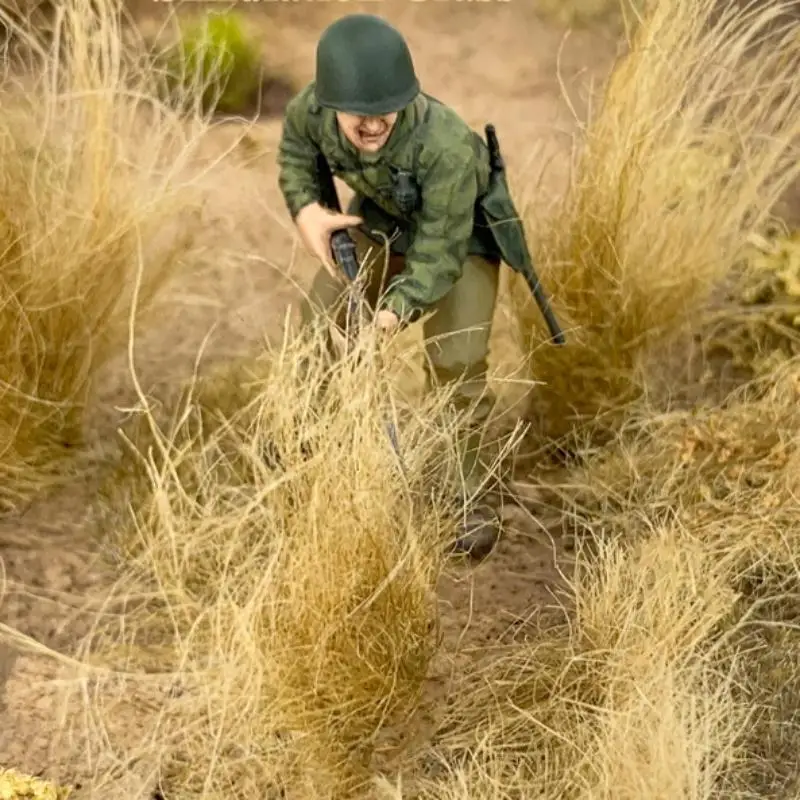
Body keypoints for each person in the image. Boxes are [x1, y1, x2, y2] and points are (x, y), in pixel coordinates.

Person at [277, 13, 526, 560]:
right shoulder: (312, 111)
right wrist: (311, 212)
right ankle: (320, 469)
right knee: (316, 330)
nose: (371, 126)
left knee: (455, 361)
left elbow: (438, 255)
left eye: (383, 112)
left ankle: (467, 499)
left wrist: (391, 316)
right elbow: (297, 155)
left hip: (461, 239)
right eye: (357, 116)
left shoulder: (447, 147)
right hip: (382, 223)